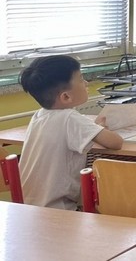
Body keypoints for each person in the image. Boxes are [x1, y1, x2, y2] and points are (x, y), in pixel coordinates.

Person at [18, 55, 123, 209]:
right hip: (58, 210)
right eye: (81, 79)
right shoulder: (69, 118)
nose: (86, 83)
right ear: (66, 96)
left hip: (27, 208)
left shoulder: (39, 115)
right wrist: (100, 129)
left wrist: (94, 128)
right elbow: (116, 142)